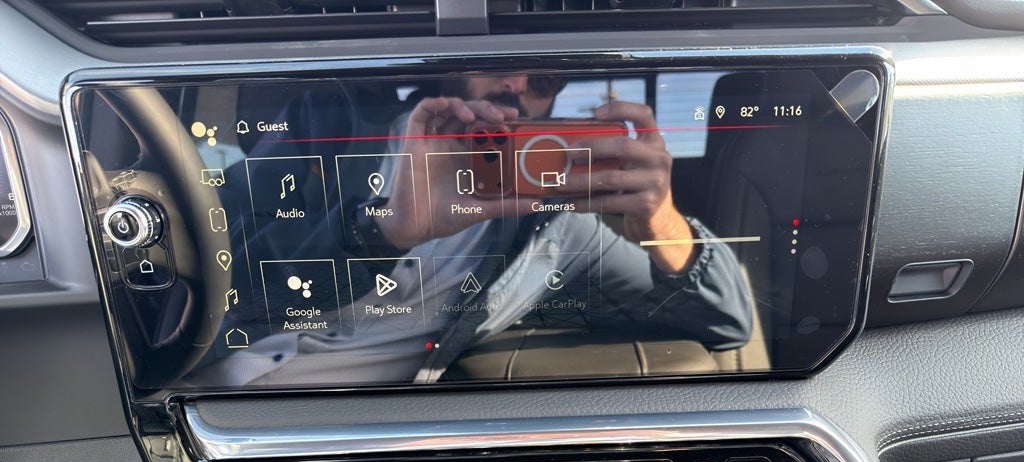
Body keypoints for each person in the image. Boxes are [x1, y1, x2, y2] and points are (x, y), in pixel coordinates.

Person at [197, 73, 753, 386]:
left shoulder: (557, 228)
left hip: (352, 445)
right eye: (499, 55)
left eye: (544, 77)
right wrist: (381, 232)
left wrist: (662, 222)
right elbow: (216, 273)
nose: (516, 82)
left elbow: (729, 319)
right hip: (209, 388)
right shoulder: (328, 121)